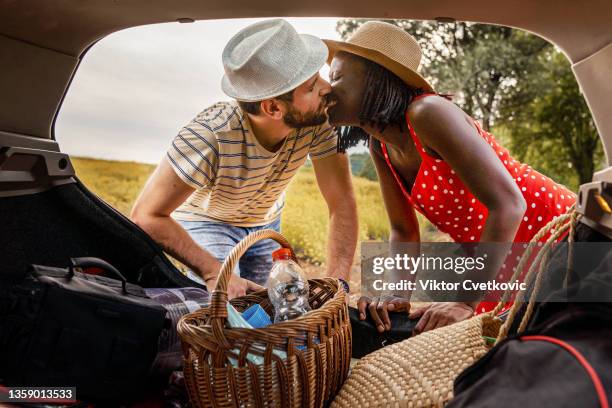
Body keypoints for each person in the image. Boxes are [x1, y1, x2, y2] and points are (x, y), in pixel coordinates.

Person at [323, 21, 576, 333]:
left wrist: (465, 301)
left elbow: (509, 204)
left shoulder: (427, 112)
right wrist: (396, 295)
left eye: (336, 77)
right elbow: (403, 230)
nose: (327, 88)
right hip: (501, 256)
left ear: (375, 79)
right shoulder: (381, 145)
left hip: (556, 237)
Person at [131, 19, 358, 299]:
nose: (327, 88)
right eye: (312, 86)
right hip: (208, 221)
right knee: (228, 305)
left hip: (267, 220)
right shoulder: (209, 135)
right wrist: (214, 271)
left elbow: (341, 203)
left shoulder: (319, 122)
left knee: (278, 305)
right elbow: (146, 215)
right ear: (273, 107)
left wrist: (338, 284)